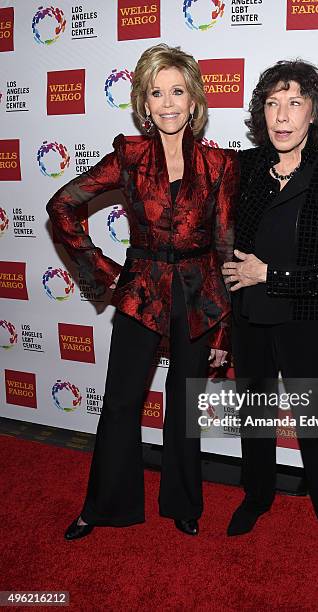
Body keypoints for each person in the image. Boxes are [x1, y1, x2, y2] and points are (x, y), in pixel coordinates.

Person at [46, 44, 237, 540]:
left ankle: (183, 502)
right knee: (121, 401)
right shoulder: (129, 156)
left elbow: (224, 249)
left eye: (178, 91)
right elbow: (62, 205)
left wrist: (223, 332)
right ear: (144, 104)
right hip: (142, 291)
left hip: (198, 294)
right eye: (157, 93)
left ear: (194, 101)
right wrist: (102, 268)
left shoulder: (219, 164)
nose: (168, 102)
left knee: (184, 402)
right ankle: (103, 505)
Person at [222, 60, 318, 570]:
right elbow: (226, 251)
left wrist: (271, 276)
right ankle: (256, 496)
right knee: (254, 417)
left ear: (313, 114)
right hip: (248, 319)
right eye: (272, 103)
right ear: (262, 112)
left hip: (303, 320)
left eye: (294, 102)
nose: (282, 116)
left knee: (316, 424)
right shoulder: (244, 170)